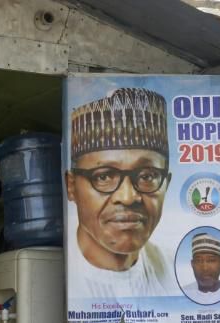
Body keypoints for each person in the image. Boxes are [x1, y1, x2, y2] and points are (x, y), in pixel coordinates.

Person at [66, 87, 173, 298]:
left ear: (166, 185)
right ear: (71, 186)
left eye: (147, 176)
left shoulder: (174, 271)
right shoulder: (55, 277)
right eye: (104, 176)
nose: (128, 197)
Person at [182, 232, 220, 305]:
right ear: (192, 264)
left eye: (211, 260)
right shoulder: (183, 292)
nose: (205, 268)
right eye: (198, 260)